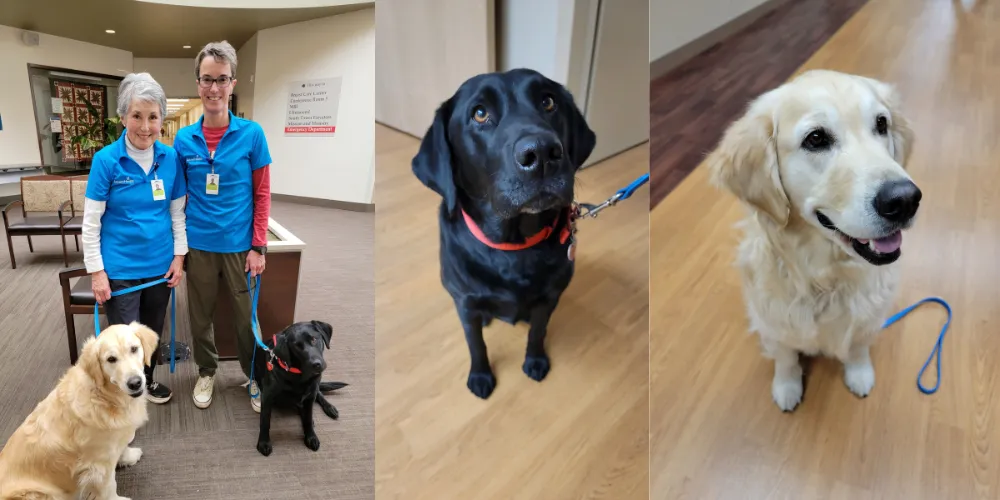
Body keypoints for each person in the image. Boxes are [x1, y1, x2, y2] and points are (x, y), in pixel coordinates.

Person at [172, 41, 272, 412]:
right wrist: (179, 249)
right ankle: (207, 371)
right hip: (198, 244)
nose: (214, 88)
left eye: (222, 80)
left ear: (232, 83)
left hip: (239, 246)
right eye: (207, 79)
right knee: (200, 317)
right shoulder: (183, 139)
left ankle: (253, 375)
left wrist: (258, 246)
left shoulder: (252, 134)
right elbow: (178, 200)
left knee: (247, 319)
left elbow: (263, 195)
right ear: (198, 83)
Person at [82, 72, 187, 405]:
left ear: (162, 119)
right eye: (137, 116)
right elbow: (91, 222)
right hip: (121, 269)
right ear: (124, 116)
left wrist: (179, 257)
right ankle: (121, 397)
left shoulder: (170, 159)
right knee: (123, 341)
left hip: (159, 265)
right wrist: (97, 272)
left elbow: (177, 214)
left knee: (149, 335)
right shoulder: (106, 161)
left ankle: (149, 381)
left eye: (153, 117)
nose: (145, 126)